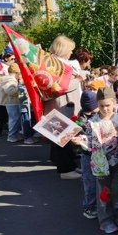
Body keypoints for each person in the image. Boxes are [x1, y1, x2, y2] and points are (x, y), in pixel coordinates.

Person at [85, 86, 118, 234]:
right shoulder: (93, 122)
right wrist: (81, 142)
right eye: (101, 106)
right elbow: (89, 142)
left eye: (108, 105)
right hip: (102, 163)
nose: (105, 109)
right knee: (103, 190)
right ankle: (106, 219)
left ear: (114, 103)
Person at [45, 35, 82, 180]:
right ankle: (65, 169)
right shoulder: (55, 65)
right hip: (61, 106)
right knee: (61, 140)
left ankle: (69, 166)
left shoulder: (56, 62)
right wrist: (77, 80)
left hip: (63, 105)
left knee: (64, 139)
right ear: (64, 49)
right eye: (70, 49)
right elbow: (58, 87)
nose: (72, 52)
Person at [70, 91, 99, 220]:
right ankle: (89, 206)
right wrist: (77, 140)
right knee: (90, 182)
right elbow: (76, 135)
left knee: (99, 182)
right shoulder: (81, 120)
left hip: (99, 153)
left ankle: (98, 204)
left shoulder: (98, 115)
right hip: (87, 154)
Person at [0, 64, 24, 143]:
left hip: (12, 101)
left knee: (16, 119)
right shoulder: (11, 80)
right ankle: (12, 136)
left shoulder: (9, 79)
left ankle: (15, 134)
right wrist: (19, 88)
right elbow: (9, 91)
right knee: (14, 119)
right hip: (12, 102)